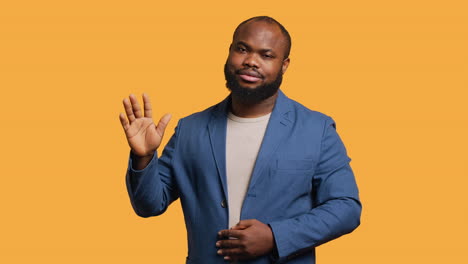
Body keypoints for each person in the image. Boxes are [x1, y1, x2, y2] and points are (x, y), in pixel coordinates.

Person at [119, 16, 361, 264]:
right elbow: (149, 205)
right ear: (230, 51)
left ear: (284, 65)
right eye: (242, 49)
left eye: (266, 55)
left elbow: (346, 208)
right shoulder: (190, 129)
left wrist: (275, 237)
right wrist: (144, 157)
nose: (251, 62)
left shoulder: (316, 129)